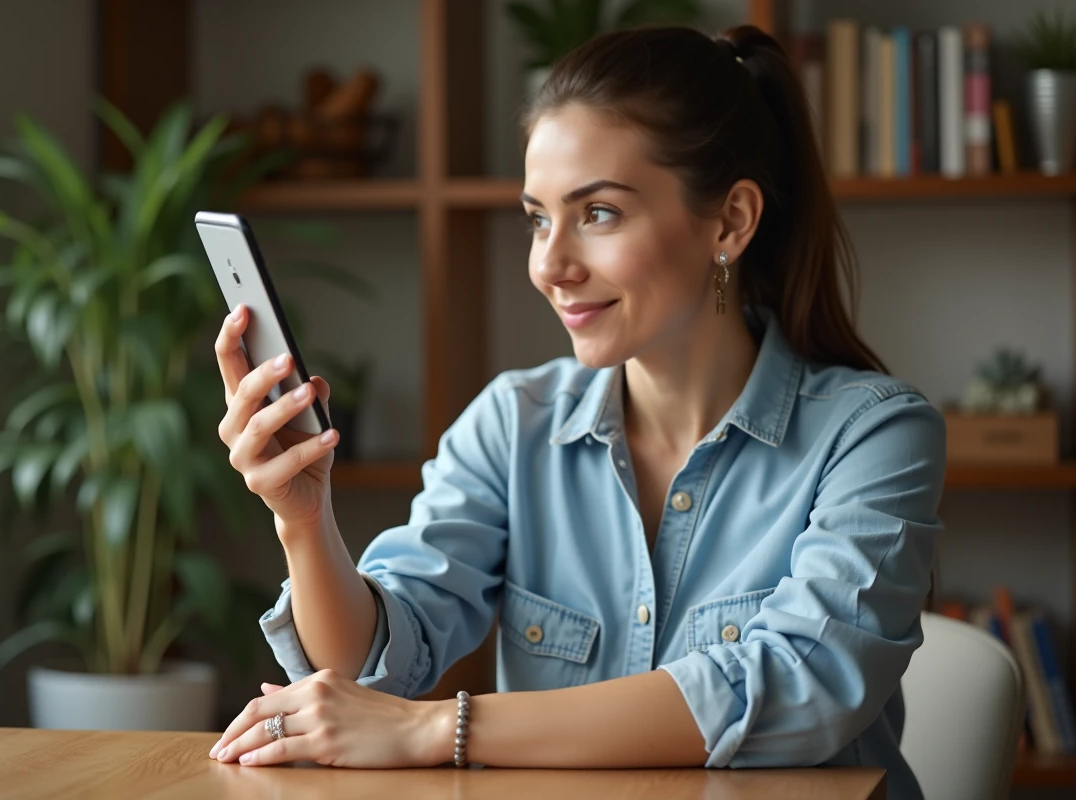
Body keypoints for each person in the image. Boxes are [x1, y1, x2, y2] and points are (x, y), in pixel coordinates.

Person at [208, 24, 944, 799]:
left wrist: (435, 730)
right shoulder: (512, 423)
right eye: (537, 217)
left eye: (598, 214)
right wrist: (303, 519)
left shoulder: (875, 435)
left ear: (730, 222)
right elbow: (373, 663)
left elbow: (801, 684)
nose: (549, 265)